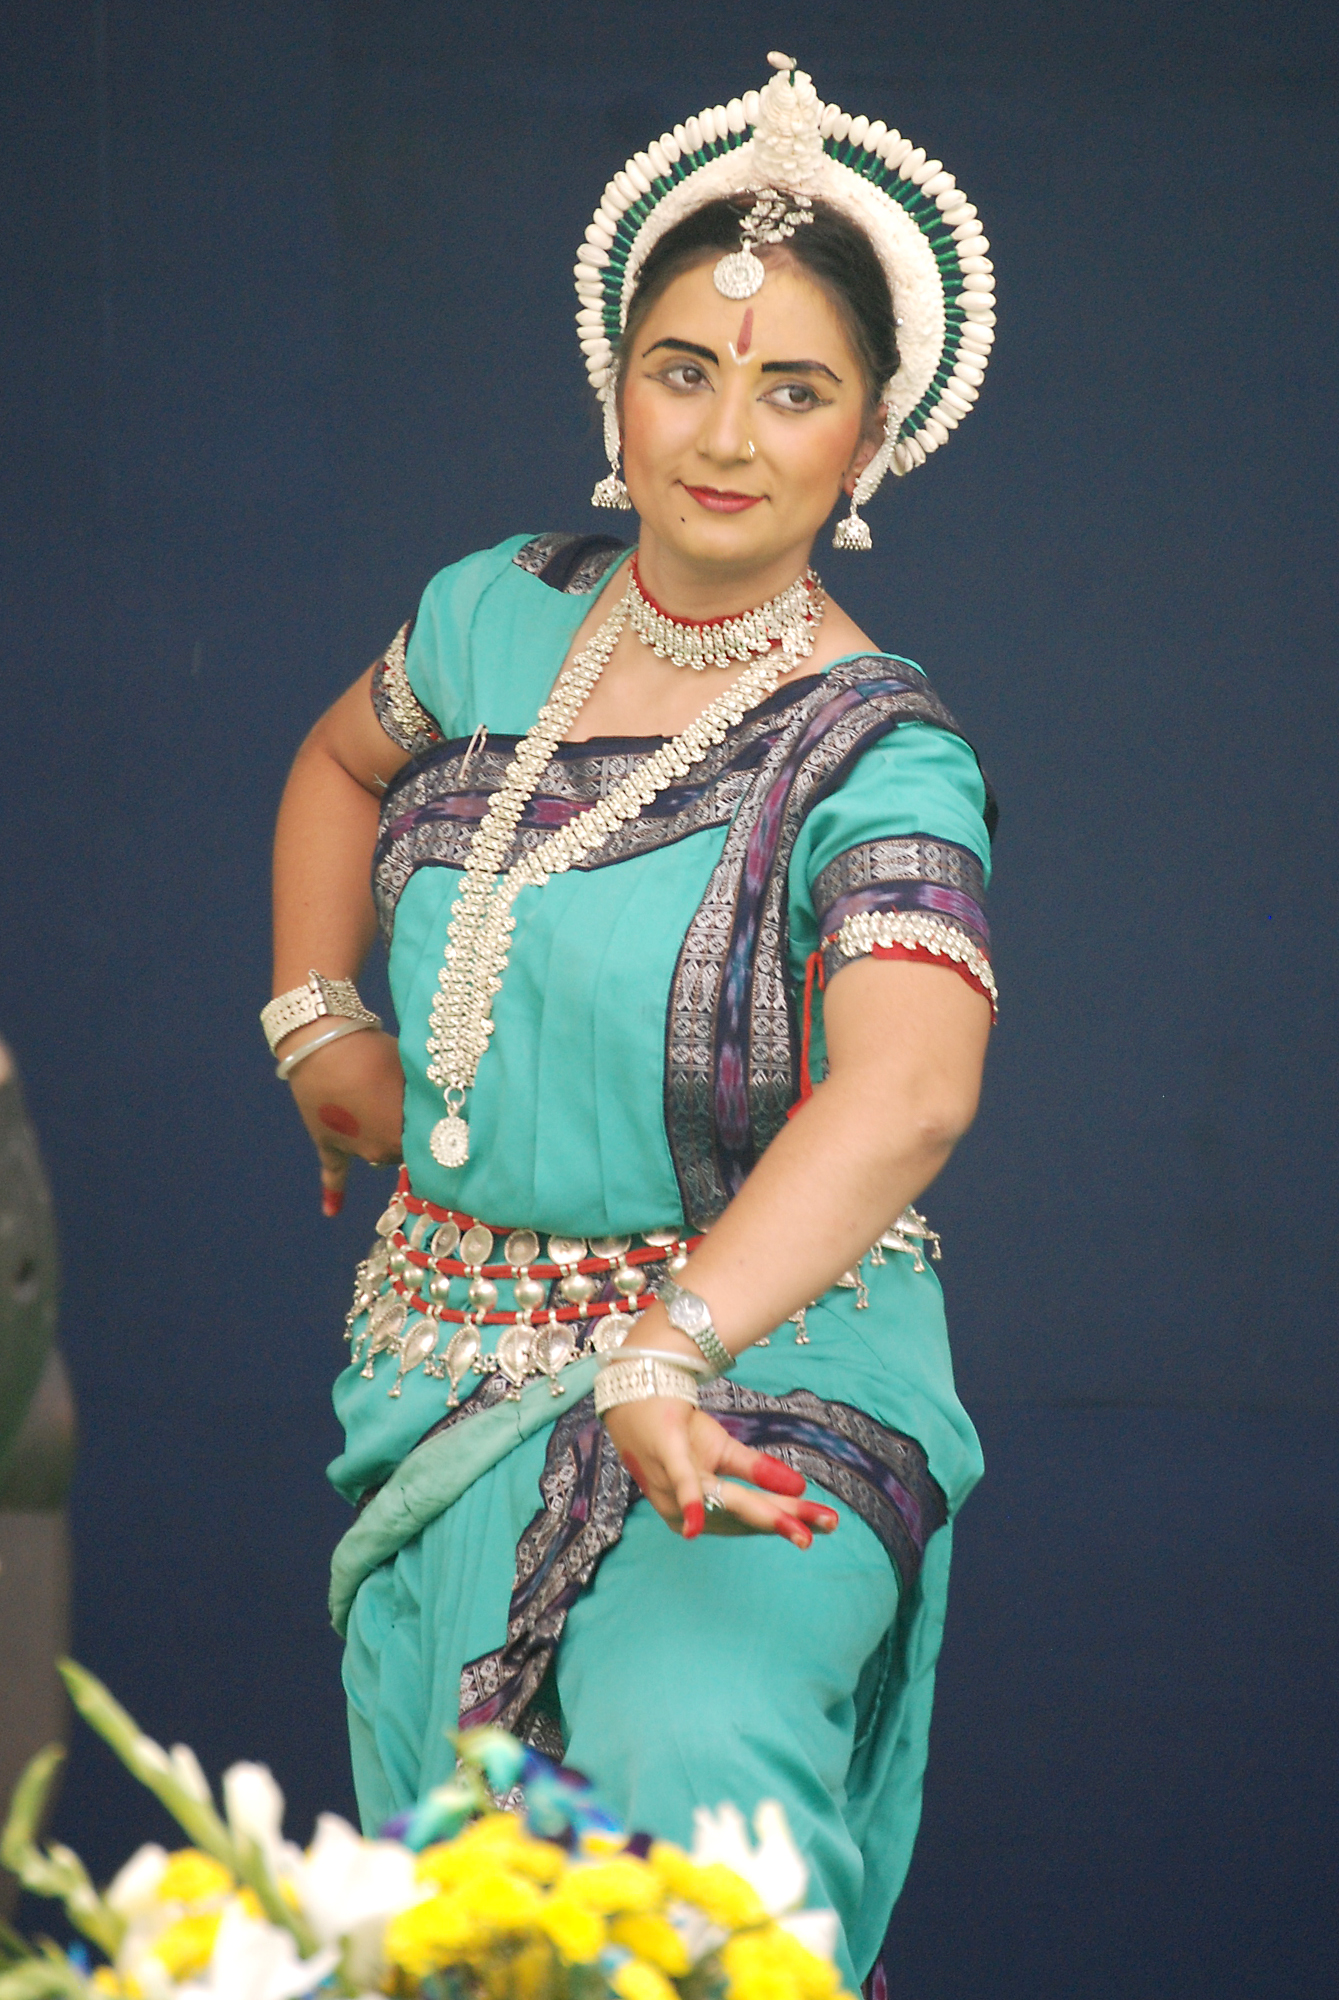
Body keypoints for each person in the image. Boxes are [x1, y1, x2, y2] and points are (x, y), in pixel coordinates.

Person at [264, 55, 998, 1993]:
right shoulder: (493, 615)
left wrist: (669, 1343)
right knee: (459, 1917)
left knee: (688, 1845)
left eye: (792, 388)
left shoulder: (880, 753)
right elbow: (335, 769)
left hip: (754, 1391)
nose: (725, 436)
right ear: (614, 381)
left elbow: (912, 1087)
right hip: (438, 1374)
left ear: (870, 436)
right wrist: (314, 1017)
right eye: (685, 368)